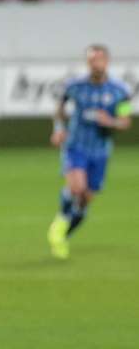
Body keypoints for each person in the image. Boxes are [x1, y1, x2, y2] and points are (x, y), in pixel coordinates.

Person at [47, 45, 132, 260]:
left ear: (107, 61)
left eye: (100, 59)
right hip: (76, 146)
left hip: (101, 151)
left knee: (85, 199)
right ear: (87, 63)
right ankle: (60, 224)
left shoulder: (120, 91)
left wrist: (110, 121)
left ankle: (62, 234)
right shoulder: (75, 86)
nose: (96, 63)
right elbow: (59, 108)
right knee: (77, 188)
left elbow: (125, 121)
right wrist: (58, 130)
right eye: (92, 60)